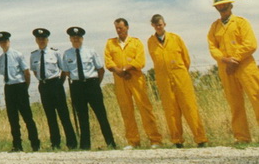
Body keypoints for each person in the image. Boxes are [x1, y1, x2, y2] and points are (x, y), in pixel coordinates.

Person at [147, 14, 208, 148]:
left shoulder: (175, 38)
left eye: (160, 24)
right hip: (164, 80)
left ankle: (200, 138)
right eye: (156, 25)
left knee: (189, 106)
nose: (158, 27)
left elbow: (186, 59)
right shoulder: (151, 42)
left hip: (180, 77)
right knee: (171, 110)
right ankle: (177, 140)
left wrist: (179, 72)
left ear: (165, 24)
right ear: (152, 26)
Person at [207, 0, 259, 143]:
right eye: (218, 5)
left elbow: (250, 44)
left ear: (230, 5)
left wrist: (234, 59)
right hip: (226, 68)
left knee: (256, 98)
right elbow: (212, 47)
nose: (221, 7)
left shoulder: (241, 22)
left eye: (224, 4)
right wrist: (224, 60)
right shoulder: (214, 27)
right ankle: (242, 137)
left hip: (245, 66)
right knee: (234, 103)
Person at [104, 17, 163, 149]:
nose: (119, 30)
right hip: (120, 80)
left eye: (121, 28)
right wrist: (118, 71)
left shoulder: (136, 42)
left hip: (135, 78)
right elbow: (108, 61)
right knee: (126, 110)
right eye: (116, 28)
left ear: (127, 27)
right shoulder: (110, 43)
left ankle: (155, 139)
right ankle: (133, 141)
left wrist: (125, 69)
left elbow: (140, 61)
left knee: (144, 108)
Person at [60, 26, 116, 150]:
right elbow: (67, 72)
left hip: (92, 85)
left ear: (82, 38)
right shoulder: (67, 54)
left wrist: (96, 84)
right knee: (82, 117)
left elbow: (100, 69)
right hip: (77, 87)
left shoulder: (91, 51)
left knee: (101, 115)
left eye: (78, 37)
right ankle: (85, 146)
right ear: (70, 39)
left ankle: (111, 143)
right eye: (73, 37)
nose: (76, 39)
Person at [29, 28, 77, 150]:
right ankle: (55, 143)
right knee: (50, 116)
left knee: (63, 115)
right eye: (39, 39)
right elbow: (35, 71)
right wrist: (43, 81)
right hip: (44, 86)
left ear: (47, 40)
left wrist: (59, 83)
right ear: (36, 40)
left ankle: (72, 143)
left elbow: (64, 70)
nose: (41, 41)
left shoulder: (55, 53)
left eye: (43, 39)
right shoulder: (33, 55)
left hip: (56, 84)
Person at [0, 31, 40, 152]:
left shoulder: (17, 55)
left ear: (9, 41)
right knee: (13, 118)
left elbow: (26, 73)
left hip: (20, 86)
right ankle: (17, 145)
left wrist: (25, 88)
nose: (3, 44)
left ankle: (35, 144)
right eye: (1, 42)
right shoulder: (0, 58)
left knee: (27, 117)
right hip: (9, 87)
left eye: (5, 41)